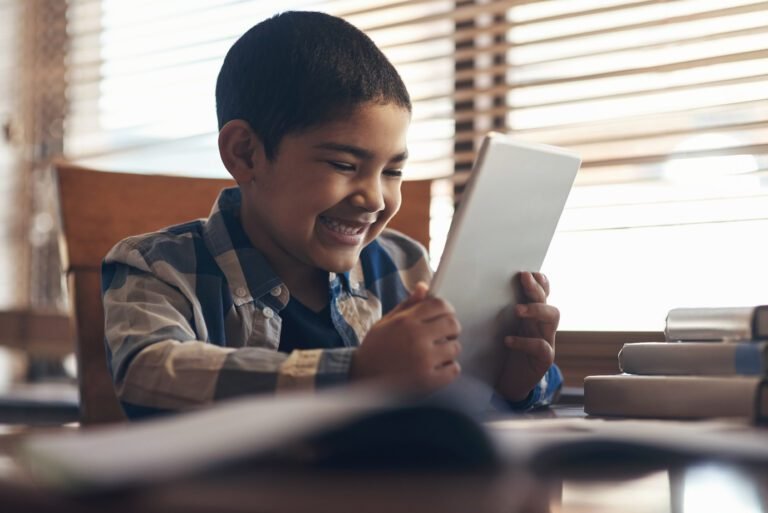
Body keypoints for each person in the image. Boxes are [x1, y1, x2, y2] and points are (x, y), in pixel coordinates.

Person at [101, 11, 562, 420]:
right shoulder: (158, 267)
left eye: (393, 170)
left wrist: (507, 384)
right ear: (246, 154)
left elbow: (439, 401)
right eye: (344, 165)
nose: (376, 199)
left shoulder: (404, 265)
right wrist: (355, 373)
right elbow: (149, 371)